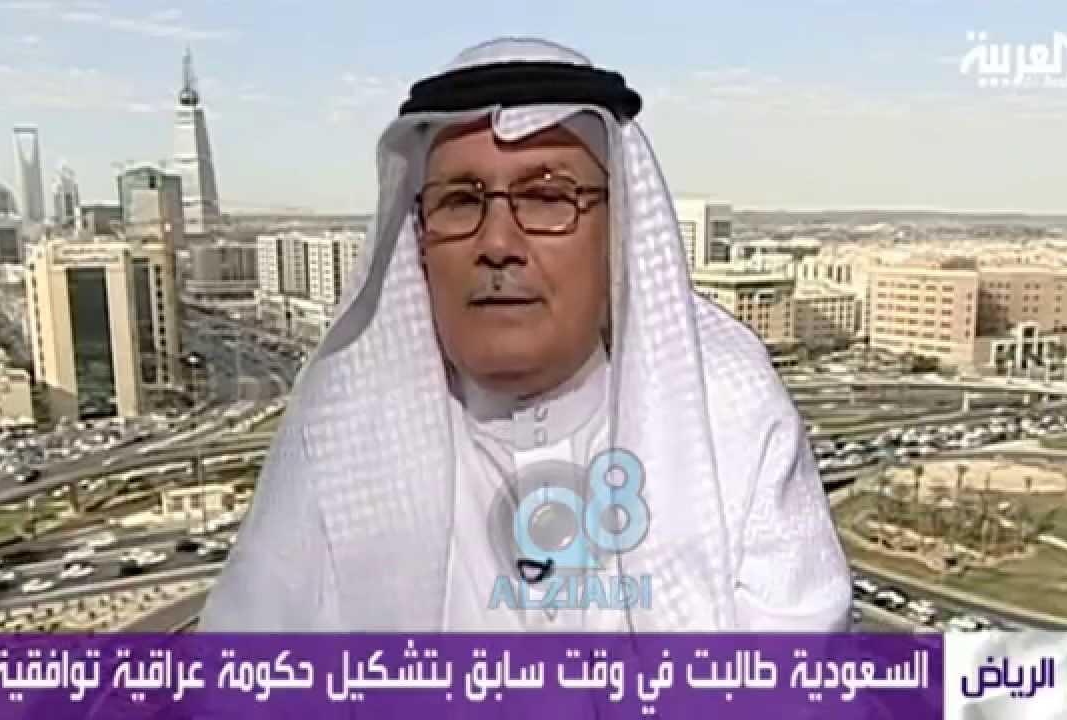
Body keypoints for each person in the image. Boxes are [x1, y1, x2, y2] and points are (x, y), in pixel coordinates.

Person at [199, 37, 852, 632]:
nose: (497, 243)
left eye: (547, 198)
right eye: (460, 200)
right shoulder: (343, 439)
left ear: (619, 235)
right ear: (421, 244)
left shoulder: (727, 418)